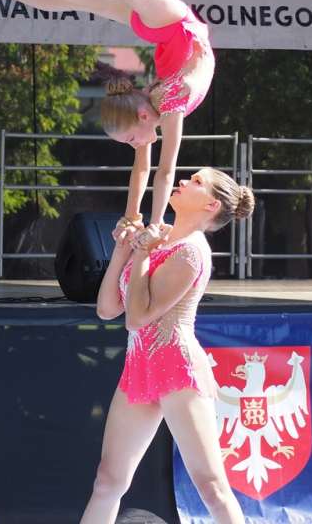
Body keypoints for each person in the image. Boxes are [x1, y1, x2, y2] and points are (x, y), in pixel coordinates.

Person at [0, 0, 215, 248]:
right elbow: (153, 171)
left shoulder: (160, 107)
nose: (135, 145)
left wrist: (144, 221)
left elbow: (156, 171)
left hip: (173, 24)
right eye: (131, 141)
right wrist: (141, 221)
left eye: (130, 139)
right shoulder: (164, 106)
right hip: (172, 31)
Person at [86, 168, 254, 524]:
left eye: (197, 182)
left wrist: (143, 251)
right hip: (140, 367)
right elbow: (107, 309)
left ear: (211, 205)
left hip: (178, 369)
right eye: (189, 177)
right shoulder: (157, 238)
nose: (183, 181)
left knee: (211, 487)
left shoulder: (192, 251)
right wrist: (124, 247)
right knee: (108, 480)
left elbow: (136, 317)